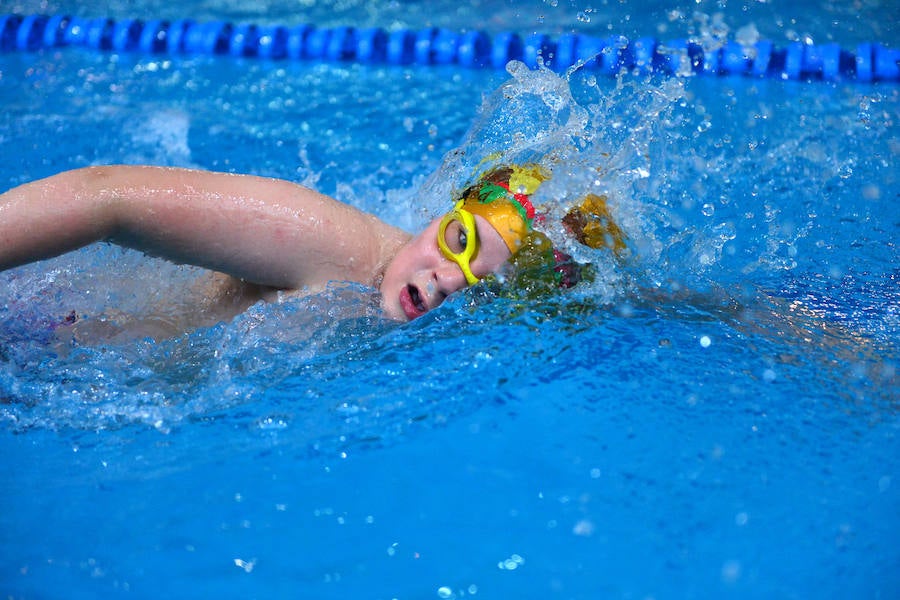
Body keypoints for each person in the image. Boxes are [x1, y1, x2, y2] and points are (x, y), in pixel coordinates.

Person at [0, 163, 625, 326]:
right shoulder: (327, 243)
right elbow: (109, 198)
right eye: (457, 242)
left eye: (483, 281)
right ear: (441, 212)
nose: (450, 279)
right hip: (40, 342)